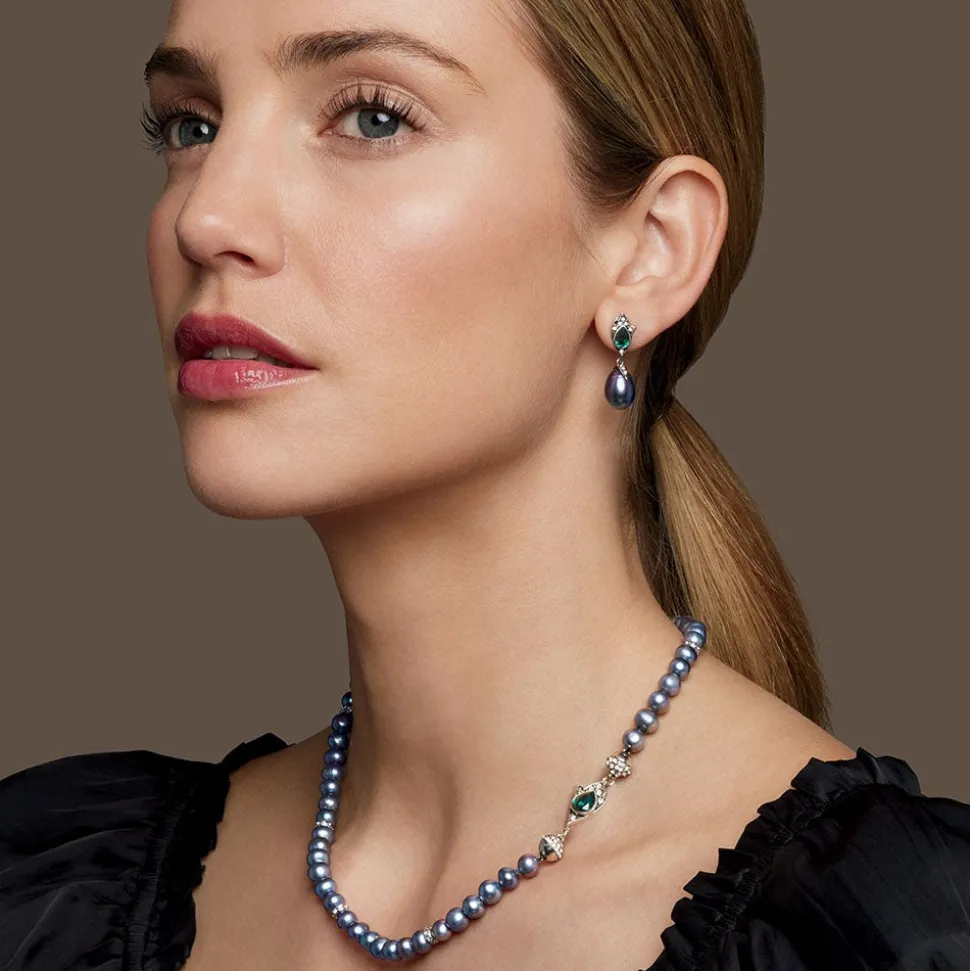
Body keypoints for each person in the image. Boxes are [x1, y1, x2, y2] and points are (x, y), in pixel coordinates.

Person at [2, 0, 969, 968]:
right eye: (191, 125)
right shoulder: (46, 890)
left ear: (652, 248)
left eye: (372, 116)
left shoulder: (902, 932)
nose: (206, 217)